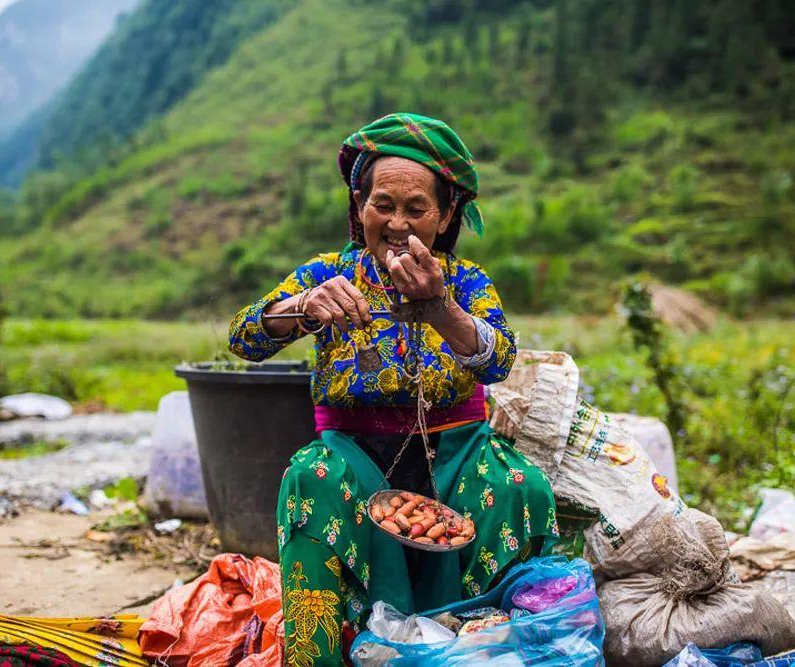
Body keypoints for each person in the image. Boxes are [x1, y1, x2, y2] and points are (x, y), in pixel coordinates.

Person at [228, 113, 557, 666]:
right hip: (354, 452)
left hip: (456, 448)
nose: (398, 223)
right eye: (383, 204)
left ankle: (486, 650)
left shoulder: (466, 280)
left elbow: (498, 359)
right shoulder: (327, 272)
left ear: (446, 214)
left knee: (518, 486)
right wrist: (300, 309)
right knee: (312, 479)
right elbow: (244, 338)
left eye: (416, 208)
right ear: (360, 208)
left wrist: (441, 309)